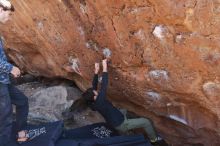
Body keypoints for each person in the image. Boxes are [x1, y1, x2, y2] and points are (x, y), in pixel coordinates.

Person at [79, 59, 168, 146]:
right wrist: (105, 67)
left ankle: (130, 127)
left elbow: (94, 87)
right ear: (95, 97)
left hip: (114, 119)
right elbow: (104, 85)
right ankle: (154, 139)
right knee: (146, 122)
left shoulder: (91, 103)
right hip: (121, 123)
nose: (96, 91)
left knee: (124, 110)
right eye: (95, 93)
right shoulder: (100, 102)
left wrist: (96, 71)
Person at [0, 0, 29, 145]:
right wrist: (11, 68)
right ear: (0, 10)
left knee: (23, 102)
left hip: (3, 80)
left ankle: (20, 131)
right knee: (5, 118)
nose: (9, 18)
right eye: (9, 14)